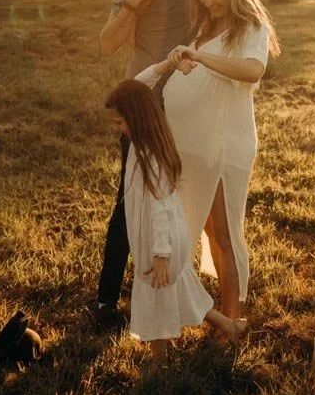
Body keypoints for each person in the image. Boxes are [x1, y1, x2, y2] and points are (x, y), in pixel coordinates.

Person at [134, 0, 280, 325]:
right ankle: (204, 311)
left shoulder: (251, 28)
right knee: (193, 227)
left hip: (222, 144)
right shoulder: (206, 27)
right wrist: (183, 60)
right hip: (190, 144)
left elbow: (251, 71)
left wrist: (202, 60)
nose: (208, 2)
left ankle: (232, 318)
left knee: (223, 232)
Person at [88, 0, 194, 327]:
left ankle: (189, 291)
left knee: (185, 194)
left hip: (190, 101)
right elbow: (108, 44)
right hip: (143, 104)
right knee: (129, 198)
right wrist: (135, 2)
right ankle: (106, 300)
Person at [104, 79, 247, 369]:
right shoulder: (143, 144)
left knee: (156, 291)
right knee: (177, 286)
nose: (116, 128)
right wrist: (164, 66)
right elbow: (141, 80)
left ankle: (159, 361)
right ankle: (228, 327)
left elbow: (158, 209)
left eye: (119, 122)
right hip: (165, 235)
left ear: (136, 117)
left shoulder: (150, 156)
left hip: (163, 238)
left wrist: (160, 255)